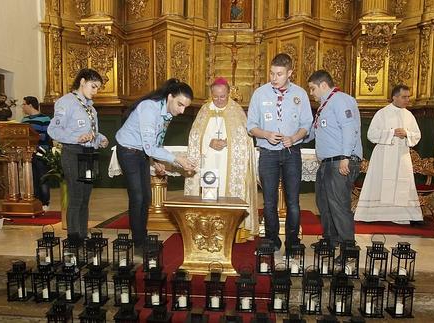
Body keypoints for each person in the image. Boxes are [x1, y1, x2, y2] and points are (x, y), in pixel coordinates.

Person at [116, 78, 196, 248]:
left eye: (185, 107)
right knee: (137, 196)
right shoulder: (149, 108)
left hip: (141, 152)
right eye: (180, 104)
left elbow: (155, 140)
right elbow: (150, 146)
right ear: (170, 97)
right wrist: (178, 159)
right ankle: (138, 242)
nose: (182, 111)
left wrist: (156, 160)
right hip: (128, 151)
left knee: (146, 196)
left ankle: (141, 236)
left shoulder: (167, 112)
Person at [247, 53, 313, 251]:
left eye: (279, 74)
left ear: (289, 73)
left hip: (292, 153)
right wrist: (266, 134)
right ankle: (271, 240)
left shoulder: (300, 94)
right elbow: (251, 126)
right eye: (271, 73)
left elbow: (306, 125)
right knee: (269, 201)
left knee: (293, 201)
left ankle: (293, 241)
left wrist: (293, 138)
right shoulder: (260, 94)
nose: (273, 78)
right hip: (268, 154)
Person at [184, 77, 258, 242]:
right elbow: (194, 137)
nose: (219, 100)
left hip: (229, 164)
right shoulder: (204, 110)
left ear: (228, 93)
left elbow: (245, 139)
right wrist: (209, 141)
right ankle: (204, 229)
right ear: (211, 94)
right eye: (215, 96)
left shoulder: (236, 110)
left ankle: (232, 232)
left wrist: (228, 142)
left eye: (222, 96)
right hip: (208, 161)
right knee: (208, 191)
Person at [47, 68, 108, 239]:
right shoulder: (66, 102)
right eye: (93, 86)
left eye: (97, 88)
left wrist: (100, 139)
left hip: (88, 154)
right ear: (82, 81)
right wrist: (76, 138)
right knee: (75, 196)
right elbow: (54, 130)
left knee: (85, 197)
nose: (95, 92)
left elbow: (91, 132)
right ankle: (74, 238)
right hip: (73, 153)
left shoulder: (91, 108)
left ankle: (83, 233)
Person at [306, 70, 362, 245]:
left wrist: (346, 156)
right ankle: (330, 240)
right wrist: (293, 137)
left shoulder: (340, 100)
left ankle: (348, 247)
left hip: (340, 161)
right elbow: (313, 133)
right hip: (327, 162)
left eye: (312, 88)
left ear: (323, 85)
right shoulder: (325, 106)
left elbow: (349, 128)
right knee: (324, 203)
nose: (311, 93)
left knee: (339, 205)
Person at [354, 85, 423, 225]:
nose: (407, 100)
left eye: (408, 97)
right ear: (394, 97)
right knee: (380, 181)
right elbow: (371, 134)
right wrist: (391, 132)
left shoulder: (409, 115)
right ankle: (373, 214)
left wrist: (407, 134)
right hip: (383, 155)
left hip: (402, 155)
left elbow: (417, 135)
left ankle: (403, 215)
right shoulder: (382, 113)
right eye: (404, 97)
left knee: (402, 183)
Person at [21, 96, 51, 211]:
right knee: (32, 178)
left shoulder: (45, 118)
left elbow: (47, 136)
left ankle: (45, 202)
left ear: (30, 105)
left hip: (41, 152)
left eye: (24, 104)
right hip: (28, 153)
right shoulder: (24, 120)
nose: (22, 107)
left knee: (42, 177)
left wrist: (33, 136)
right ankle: (36, 200)